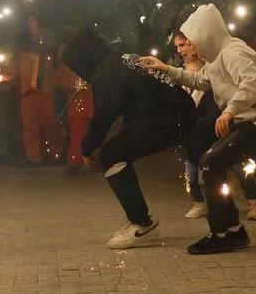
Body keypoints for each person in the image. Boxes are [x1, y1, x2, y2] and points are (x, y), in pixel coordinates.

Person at [138, 5, 256, 255]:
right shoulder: (218, 57)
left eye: (193, 40)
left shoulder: (233, 53)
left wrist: (230, 110)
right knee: (212, 163)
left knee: (210, 163)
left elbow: (252, 82)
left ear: (205, 35)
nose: (191, 46)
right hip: (252, 120)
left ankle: (224, 232)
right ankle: (232, 231)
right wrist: (166, 69)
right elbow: (199, 80)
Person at [62, 27, 196, 248]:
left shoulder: (106, 73)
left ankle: (142, 223)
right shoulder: (119, 60)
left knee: (111, 154)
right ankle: (139, 218)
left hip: (171, 116)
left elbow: (104, 115)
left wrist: (86, 147)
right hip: (176, 111)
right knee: (116, 149)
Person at [171, 29, 256, 222]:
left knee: (238, 166)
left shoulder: (215, 66)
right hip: (194, 135)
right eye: (177, 47)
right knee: (193, 171)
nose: (180, 50)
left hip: (219, 129)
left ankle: (254, 203)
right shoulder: (180, 74)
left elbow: (243, 86)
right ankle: (201, 203)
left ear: (194, 43)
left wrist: (225, 115)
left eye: (183, 45)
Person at [15, 19, 61, 165]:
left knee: (50, 125)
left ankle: (55, 154)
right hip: (28, 93)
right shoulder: (22, 54)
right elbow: (12, 69)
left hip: (46, 92)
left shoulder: (50, 53)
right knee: (30, 127)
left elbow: (55, 71)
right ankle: (34, 156)